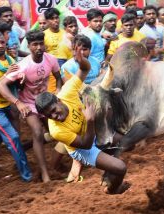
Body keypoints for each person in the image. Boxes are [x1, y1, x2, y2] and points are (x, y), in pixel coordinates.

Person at [35, 46, 130, 194]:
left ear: (59, 100)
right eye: (49, 116)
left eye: (54, 110)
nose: (54, 116)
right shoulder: (56, 130)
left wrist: (81, 61)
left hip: (90, 129)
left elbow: (84, 69)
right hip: (81, 148)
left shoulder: (67, 91)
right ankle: (113, 189)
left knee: (128, 141)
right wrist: (90, 120)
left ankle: (106, 162)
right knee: (121, 167)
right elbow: (85, 145)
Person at [0, 30, 62, 183]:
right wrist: (18, 103)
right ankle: (45, 175)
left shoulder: (51, 59)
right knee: (38, 133)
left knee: (56, 133)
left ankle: (53, 165)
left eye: (41, 44)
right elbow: (0, 85)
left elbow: (58, 78)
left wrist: (57, 92)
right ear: (29, 46)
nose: (39, 47)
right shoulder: (22, 65)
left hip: (45, 102)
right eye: (34, 45)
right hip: (28, 104)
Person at [0, 31, 32, 182]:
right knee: (14, 138)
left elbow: (17, 86)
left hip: (8, 106)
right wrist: (6, 76)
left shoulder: (11, 60)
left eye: (2, 42)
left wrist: (21, 79)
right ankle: (27, 176)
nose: (0, 46)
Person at [43, 8, 65, 93]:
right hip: (51, 71)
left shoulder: (66, 34)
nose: (55, 20)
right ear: (47, 21)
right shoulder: (43, 35)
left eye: (57, 17)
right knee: (52, 95)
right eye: (52, 18)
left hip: (65, 70)